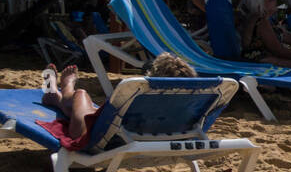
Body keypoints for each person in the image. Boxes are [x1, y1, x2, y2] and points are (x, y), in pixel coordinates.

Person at [39, 54, 196, 150]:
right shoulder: (185, 108)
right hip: (154, 143)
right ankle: (54, 96)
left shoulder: (142, 100)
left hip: (97, 139)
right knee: (84, 109)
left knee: (81, 94)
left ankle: (64, 87)